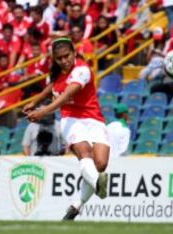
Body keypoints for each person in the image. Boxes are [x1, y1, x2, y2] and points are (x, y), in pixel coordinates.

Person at [23, 37, 109, 220]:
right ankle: (99, 187)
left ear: (74, 53)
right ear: (55, 59)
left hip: (93, 118)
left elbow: (66, 94)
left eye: (66, 56)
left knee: (100, 164)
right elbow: (53, 87)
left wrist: (42, 111)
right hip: (71, 119)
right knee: (85, 153)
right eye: (59, 58)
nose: (64, 61)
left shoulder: (82, 70)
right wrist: (34, 101)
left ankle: (77, 205)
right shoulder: (56, 72)